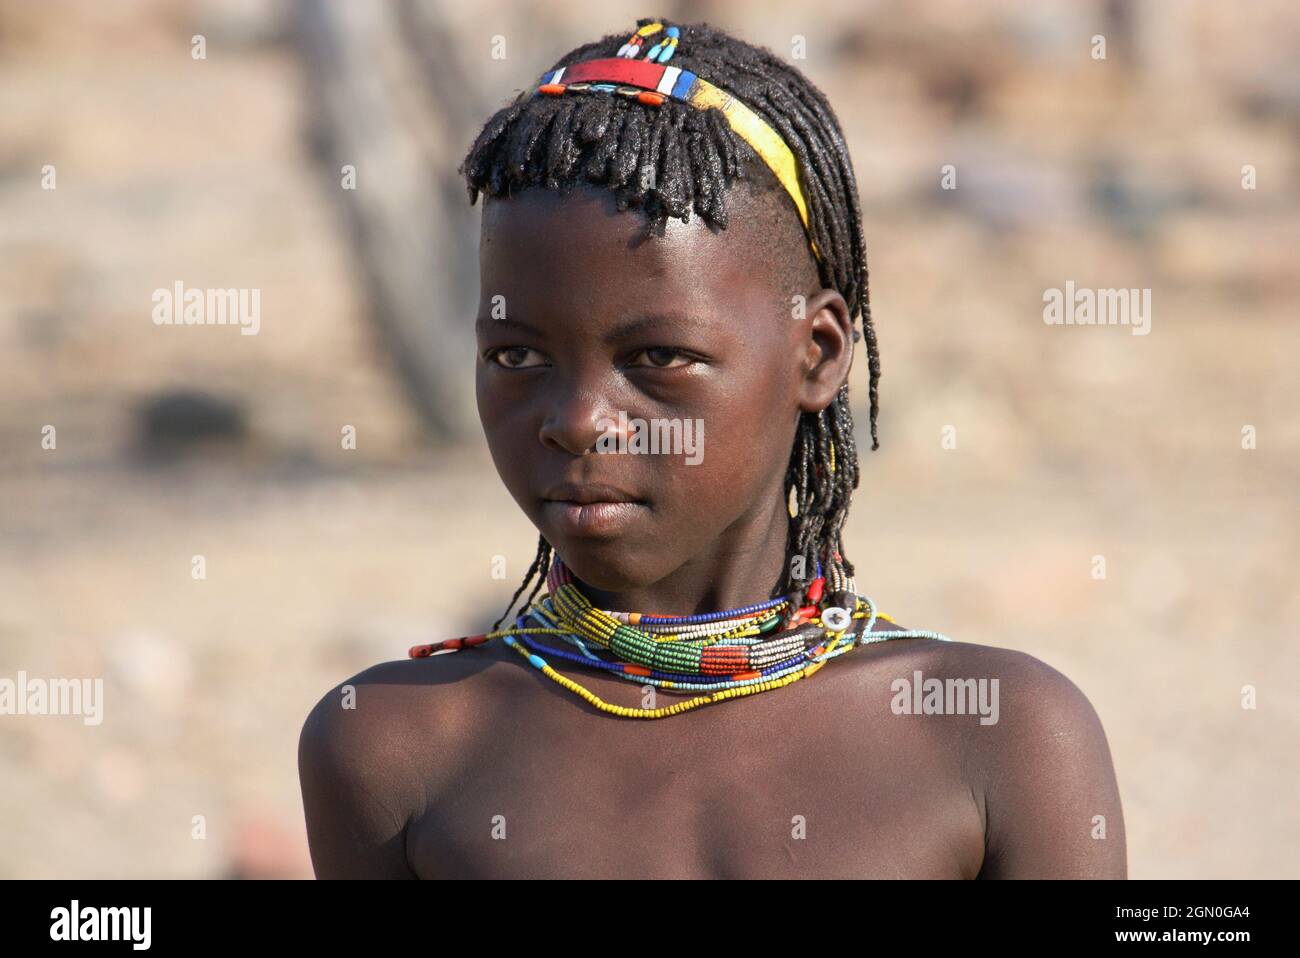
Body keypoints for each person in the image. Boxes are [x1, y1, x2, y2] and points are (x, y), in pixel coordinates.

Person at [299, 18, 1126, 879]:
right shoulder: (396, 746)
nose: (580, 420)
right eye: (518, 356)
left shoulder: (998, 738)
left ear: (818, 354)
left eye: (657, 357)